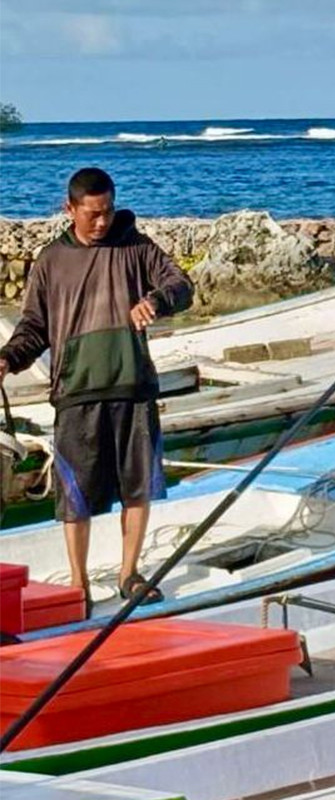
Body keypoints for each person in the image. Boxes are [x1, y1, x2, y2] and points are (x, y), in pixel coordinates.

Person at [0, 167, 194, 615]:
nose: (102, 222)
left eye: (107, 211)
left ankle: (130, 573)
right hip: (76, 391)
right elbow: (34, 327)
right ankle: (78, 582)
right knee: (75, 495)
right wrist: (9, 359)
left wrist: (157, 302)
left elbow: (181, 285)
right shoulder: (52, 260)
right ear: (70, 210)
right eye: (92, 214)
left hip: (133, 387)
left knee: (139, 488)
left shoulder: (136, 247)